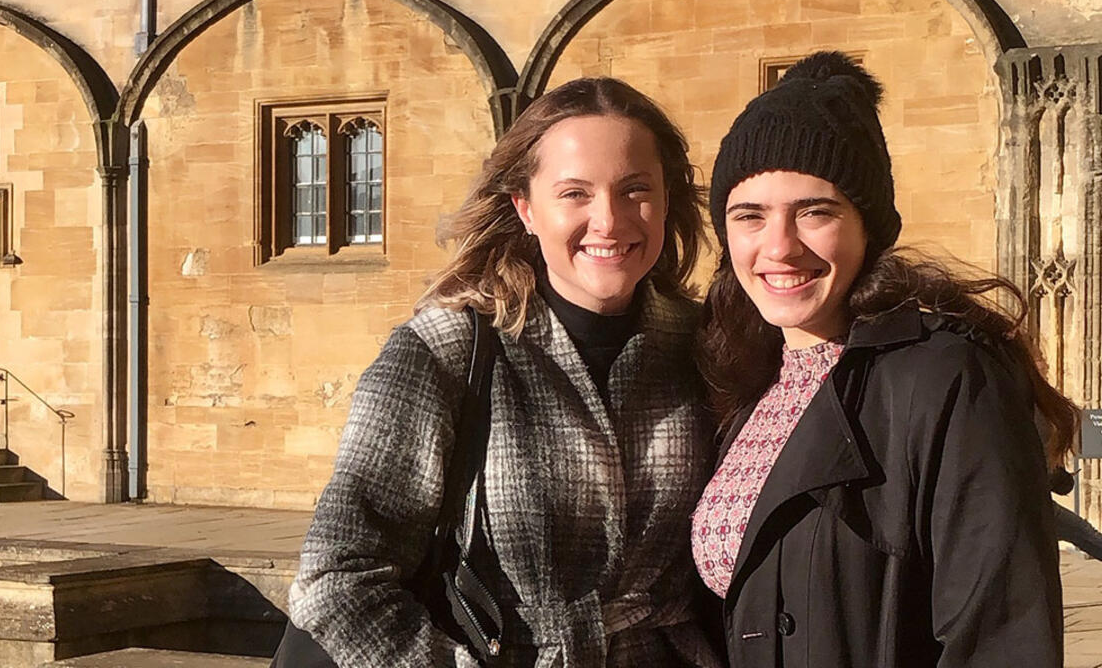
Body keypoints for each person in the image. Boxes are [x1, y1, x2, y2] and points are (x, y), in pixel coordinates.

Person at [285, 76, 724, 667]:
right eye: (575, 193)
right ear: (526, 208)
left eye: (635, 188)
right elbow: (337, 578)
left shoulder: (705, 348)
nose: (610, 220)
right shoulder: (445, 350)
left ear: (667, 199)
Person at [691, 51, 1074, 668]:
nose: (779, 246)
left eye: (815, 211)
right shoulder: (742, 380)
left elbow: (1002, 634)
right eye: (750, 215)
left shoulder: (945, 376)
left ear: (869, 226)